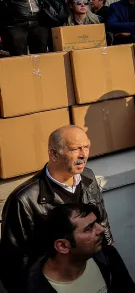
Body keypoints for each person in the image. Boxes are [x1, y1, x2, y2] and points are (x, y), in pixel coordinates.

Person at [0, 126, 112, 293]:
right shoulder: (23, 200)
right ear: (54, 154)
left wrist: (111, 260)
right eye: (75, 149)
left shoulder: (88, 177)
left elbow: (102, 222)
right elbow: (13, 262)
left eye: (87, 147)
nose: (84, 154)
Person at [26, 203, 135, 293]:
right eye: (89, 228)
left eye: (97, 222)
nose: (101, 229)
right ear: (63, 246)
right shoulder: (33, 287)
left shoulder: (108, 255)